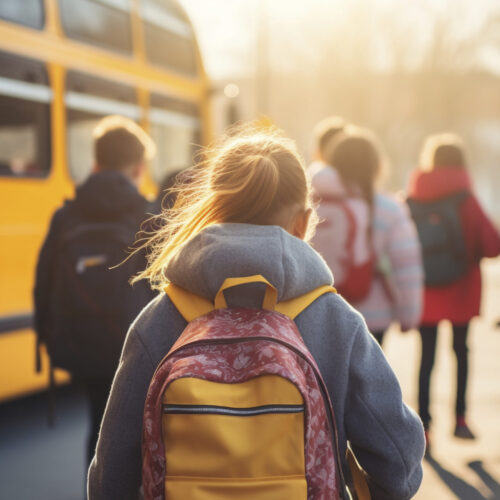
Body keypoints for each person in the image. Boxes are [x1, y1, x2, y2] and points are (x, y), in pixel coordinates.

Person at [88, 126, 425, 500]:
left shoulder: (161, 318)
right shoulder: (335, 320)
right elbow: (397, 456)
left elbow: (111, 469)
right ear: (303, 221)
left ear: (213, 209)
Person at [34, 115, 156, 469]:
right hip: (137, 347)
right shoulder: (148, 215)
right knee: (139, 434)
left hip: (80, 342)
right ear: (138, 167)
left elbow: (43, 281)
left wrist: (48, 338)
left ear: (95, 163)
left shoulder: (66, 215)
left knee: (100, 426)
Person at [407, 133, 500, 448]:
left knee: (426, 357)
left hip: (425, 290)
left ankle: (423, 426)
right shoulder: (466, 198)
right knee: (461, 352)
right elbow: (492, 245)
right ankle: (460, 419)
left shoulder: (413, 198)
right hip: (462, 288)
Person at [311, 125, 423, 345]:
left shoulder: (312, 202)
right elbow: (406, 266)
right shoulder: (389, 208)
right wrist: (409, 315)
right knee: (368, 377)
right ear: (375, 165)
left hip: (320, 311)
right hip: (373, 316)